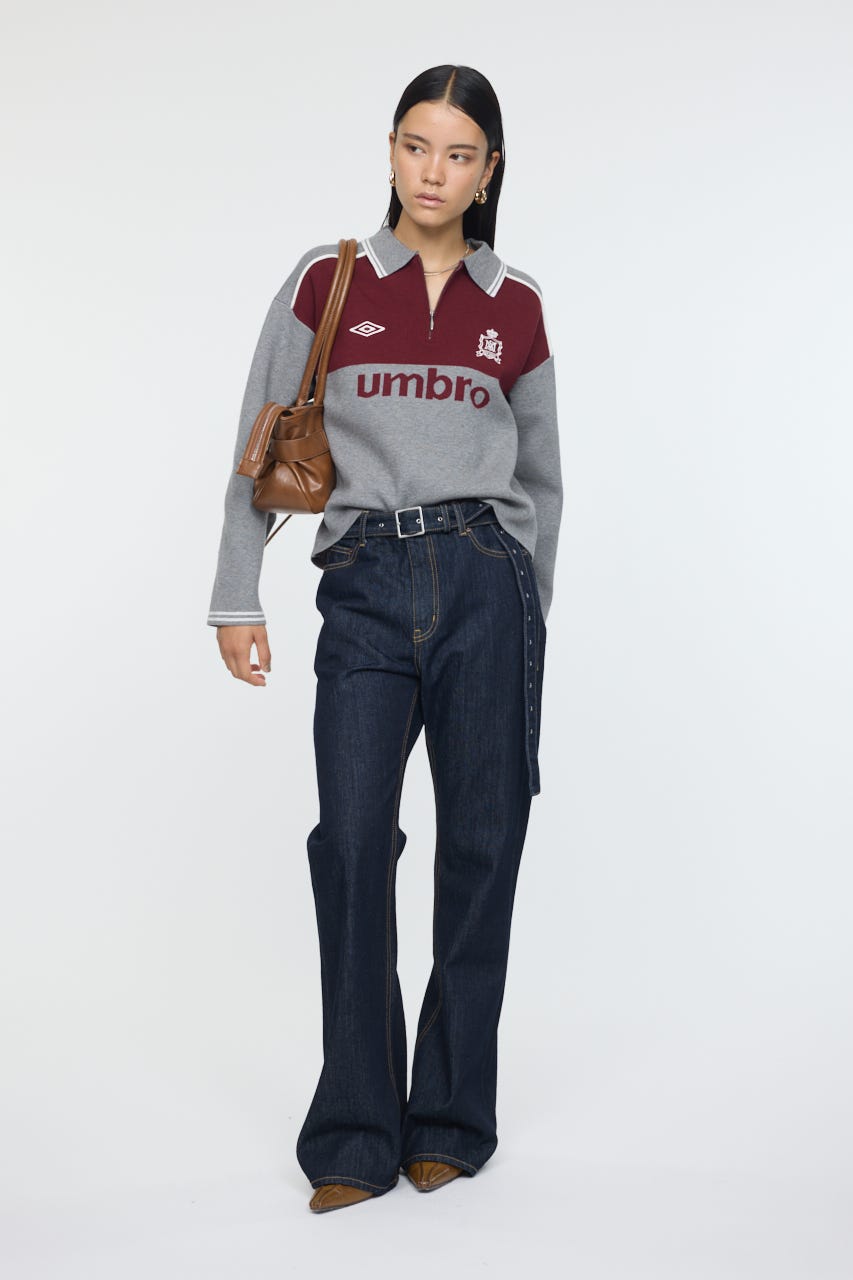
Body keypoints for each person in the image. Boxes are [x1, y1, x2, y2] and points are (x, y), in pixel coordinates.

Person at [208, 64, 564, 1213]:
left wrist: (526, 611)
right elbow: (260, 439)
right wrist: (236, 593)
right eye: (416, 146)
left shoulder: (517, 304)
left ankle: (450, 1117)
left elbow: (543, 481)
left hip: (485, 583)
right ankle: (356, 1129)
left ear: (488, 172)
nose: (432, 172)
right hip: (363, 579)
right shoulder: (329, 280)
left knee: (483, 846)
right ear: (392, 150)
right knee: (354, 841)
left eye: (458, 154)